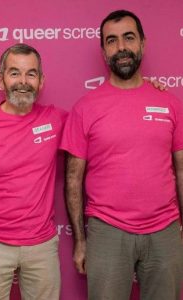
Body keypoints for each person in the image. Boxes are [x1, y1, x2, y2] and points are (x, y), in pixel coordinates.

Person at [60, 9, 183, 300]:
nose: (121, 48)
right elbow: (73, 181)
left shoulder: (170, 103)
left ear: (143, 42)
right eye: (112, 41)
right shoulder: (84, 108)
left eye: (129, 38)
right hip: (107, 231)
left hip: (165, 230)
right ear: (103, 51)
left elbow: (181, 170)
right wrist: (80, 240)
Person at [0, 43, 66, 300]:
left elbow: (101, 122)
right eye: (14, 73)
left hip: (42, 247)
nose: (23, 81)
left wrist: (139, 87)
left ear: (41, 81)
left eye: (31, 74)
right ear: (0, 80)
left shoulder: (55, 120)